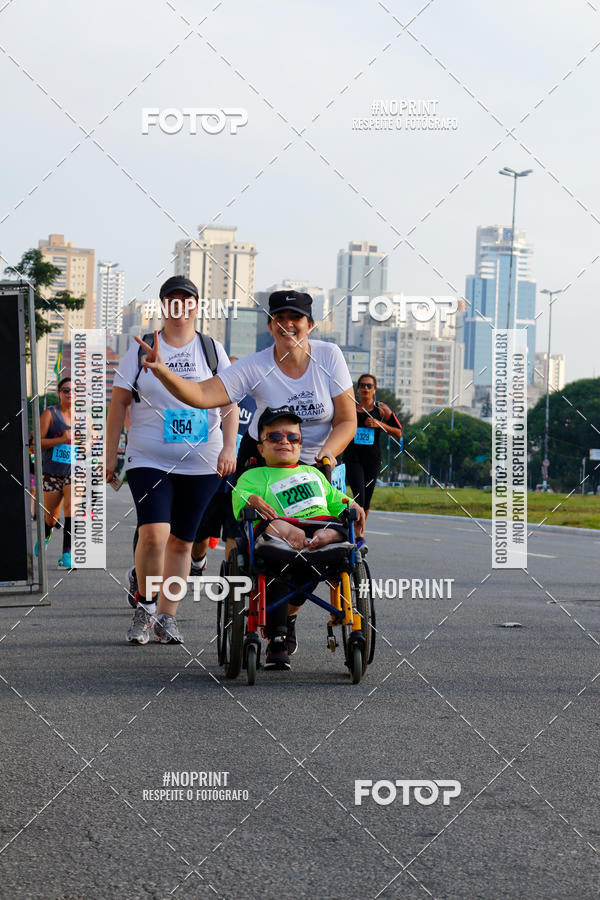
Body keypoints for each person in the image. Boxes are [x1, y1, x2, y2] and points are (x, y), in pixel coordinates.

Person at [136, 289, 357, 649]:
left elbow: (347, 420)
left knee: (324, 543)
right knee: (255, 541)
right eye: (279, 319)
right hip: (265, 459)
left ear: (310, 325)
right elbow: (204, 395)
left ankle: (288, 618)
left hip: (320, 461)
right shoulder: (256, 365)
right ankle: (257, 616)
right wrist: (162, 372)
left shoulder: (329, 357)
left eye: (295, 319)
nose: (287, 325)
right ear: (270, 326)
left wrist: (326, 458)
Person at [106, 275, 238, 645]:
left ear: (196, 306)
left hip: (202, 460)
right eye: (172, 299)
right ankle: (145, 608)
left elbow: (229, 403)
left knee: (182, 541)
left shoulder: (212, 350)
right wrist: (110, 453)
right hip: (148, 456)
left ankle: (167, 617)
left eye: (187, 299)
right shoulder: (141, 347)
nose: (180, 306)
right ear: (163, 306)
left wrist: (230, 448)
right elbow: (118, 404)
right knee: (153, 533)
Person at [232, 406, 365, 670]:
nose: (285, 442)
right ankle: (277, 636)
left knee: (337, 525)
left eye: (292, 438)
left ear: (300, 444)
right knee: (275, 528)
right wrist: (253, 500)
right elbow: (239, 499)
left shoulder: (314, 474)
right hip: (275, 539)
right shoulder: (253, 475)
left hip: (316, 533)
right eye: (275, 437)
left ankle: (325, 535)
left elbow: (336, 501)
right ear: (261, 447)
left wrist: (353, 505)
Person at [190, 366, 257, 578]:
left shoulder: (254, 402)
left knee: (233, 535)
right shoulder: (209, 397)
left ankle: (231, 576)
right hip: (210, 477)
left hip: (239, 481)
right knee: (200, 534)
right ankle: (197, 562)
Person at [343, 374, 402, 519]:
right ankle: (358, 535)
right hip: (353, 458)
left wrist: (379, 424)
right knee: (359, 497)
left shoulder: (381, 409)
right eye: (362, 385)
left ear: (374, 389)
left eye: (369, 385)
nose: (365, 388)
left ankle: (360, 529)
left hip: (372, 460)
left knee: (367, 499)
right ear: (357, 389)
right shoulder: (350, 407)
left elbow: (399, 432)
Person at [37, 377, 73, 567]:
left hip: (74, 472)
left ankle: (67, 553)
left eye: (73, 391)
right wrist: (61, 440)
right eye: (65, 390)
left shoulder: (83, 417)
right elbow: (38, 443)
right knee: (51, 515)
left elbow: (94, 441)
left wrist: (88, 443)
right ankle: (47, 532)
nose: (69, 394)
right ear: (59, 393)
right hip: (52, 472)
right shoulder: (50, 414)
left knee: (71, 509)